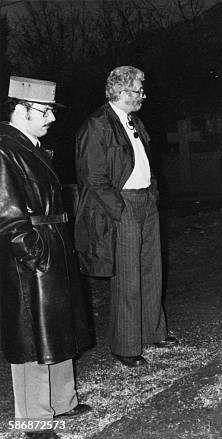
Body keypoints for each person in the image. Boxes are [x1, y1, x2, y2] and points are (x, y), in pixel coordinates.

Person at [0, 76, 94, 439]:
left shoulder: (30, 145)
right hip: (32, 255)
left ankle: (63, 401)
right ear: (20, 110)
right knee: (33, 338)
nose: (51, 118)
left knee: (57, 327)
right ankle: (34, 420)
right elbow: (7, 215)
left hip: (52, 245)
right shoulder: (5, 148)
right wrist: (34, 253)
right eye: (44, 111)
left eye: (52, 110)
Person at [74, 66, 177, 368]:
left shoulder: (133, 120)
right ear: (118, 91)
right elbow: (92, 176)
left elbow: (145, 161)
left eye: (141, 89)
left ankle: (154, 332)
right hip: (123, 205)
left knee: (151, 269)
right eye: (137, 90)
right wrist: (119, 209)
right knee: (128, 275)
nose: (142, 95)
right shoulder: (98, 125)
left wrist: (153, 192)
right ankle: (126, 345)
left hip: (145, 200)